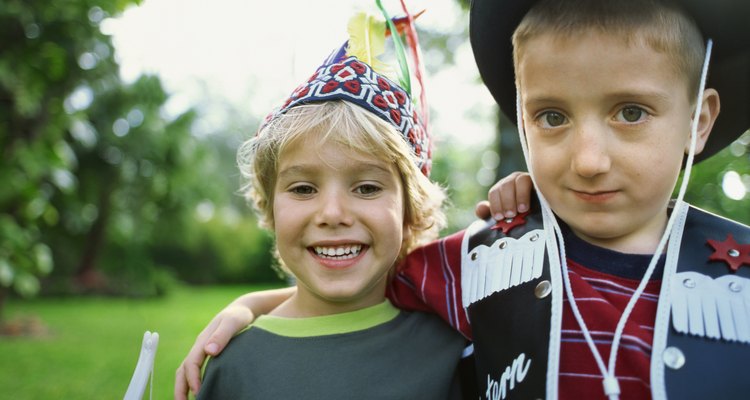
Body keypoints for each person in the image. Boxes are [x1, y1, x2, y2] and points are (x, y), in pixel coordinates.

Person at [177, 0, 750, 399]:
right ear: (523, 125)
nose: (589, 160)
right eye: (552, 117)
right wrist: (250, 306)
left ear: (698, 122)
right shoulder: (478, 260)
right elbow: (366, 274)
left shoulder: (739, 274)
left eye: (630, 112)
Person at [189, 7, 473, 400]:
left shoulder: (456, 345)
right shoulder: (234, 363)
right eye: (304, 189)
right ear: (270, 208)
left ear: (411, 210)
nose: (333, 214)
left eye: (368, 188)